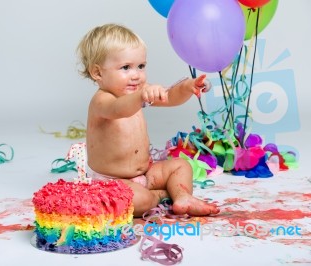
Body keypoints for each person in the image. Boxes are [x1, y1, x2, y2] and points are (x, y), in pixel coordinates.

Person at [76, 23, 219, 217]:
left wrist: (187, 87)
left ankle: (183, 196)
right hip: (111, 181)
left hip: (145, 173)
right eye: (126, 67)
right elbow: (120, 109)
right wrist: (142, 95)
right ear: (98, 73)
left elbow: (169, 97)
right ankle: (162, 195)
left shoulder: (137, 93)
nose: (136, 75)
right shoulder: (102, 101)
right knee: (139, 200)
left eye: (141, 66)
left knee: (180, 165)